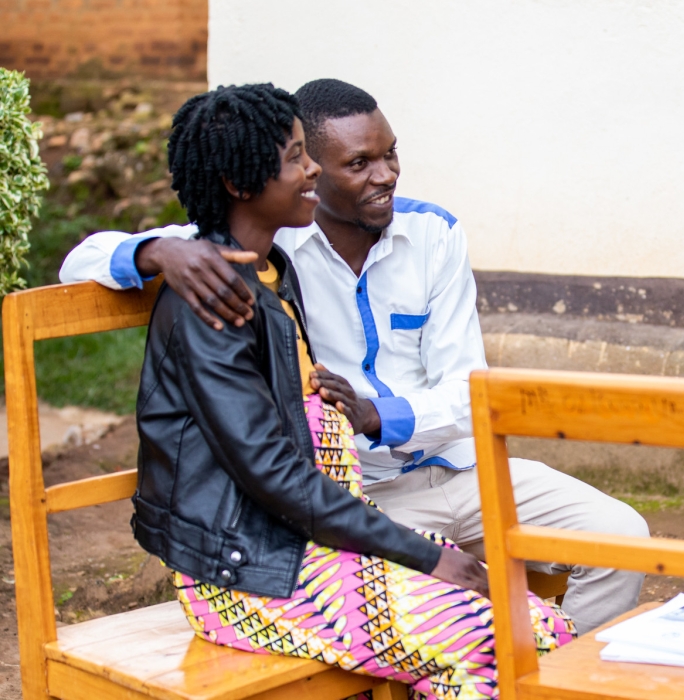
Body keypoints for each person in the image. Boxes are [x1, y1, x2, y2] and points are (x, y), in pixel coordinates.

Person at [59, 78, 647, 634]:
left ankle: (545, 682)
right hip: (356, 495)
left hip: (462, 470)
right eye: (358, 163)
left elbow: (470, 390)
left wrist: (376, 414)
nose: (385, 175)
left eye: (390, 155)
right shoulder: (271, 242)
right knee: (443, 612)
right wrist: (159, 250)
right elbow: (81, 260)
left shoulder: (433, 235)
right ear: (305, 171)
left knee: (624, 536)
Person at [137, 82, 574, 699]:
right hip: (248, 577)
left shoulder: (268, 274)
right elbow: (272, 475)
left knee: (534, 625)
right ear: (240, 184)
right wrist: (428, 558)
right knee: (508, 635)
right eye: (295, 156)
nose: (312, 166)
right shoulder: (210, 303)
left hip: (312, 544)